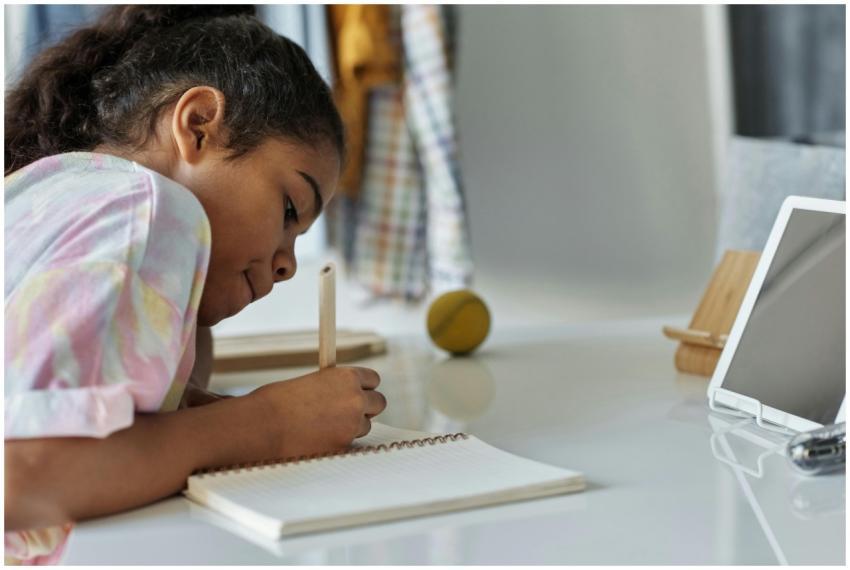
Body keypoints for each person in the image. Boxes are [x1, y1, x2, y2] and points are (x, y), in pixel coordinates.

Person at [4, 6, 387, 564]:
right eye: (287, 208)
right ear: (199, 124)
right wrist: (270, 423)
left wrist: (193, 385)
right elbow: (23, 479)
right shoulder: (153, 209)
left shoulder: (53, 195)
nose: (288, 265)